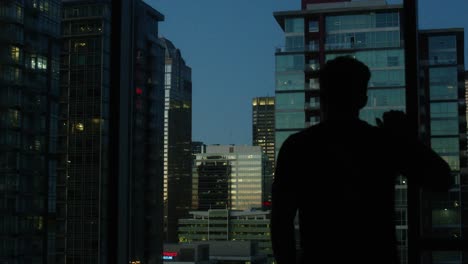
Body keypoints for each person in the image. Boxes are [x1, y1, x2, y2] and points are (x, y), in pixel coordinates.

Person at [270, 56, 451, 264]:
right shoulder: (382, 144)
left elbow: (281, 223)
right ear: (363, 99)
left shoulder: (297, 147)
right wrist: (407, 140)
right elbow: (442, 179)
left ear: (322, 97)